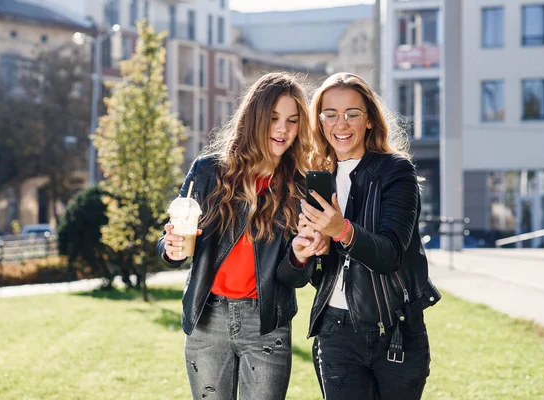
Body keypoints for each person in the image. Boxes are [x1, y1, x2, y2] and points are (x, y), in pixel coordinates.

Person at [156, 72, 326, 400]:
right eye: (274, 118)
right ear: (254, 118)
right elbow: (170, 237)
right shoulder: (208, 172)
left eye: (292, 120)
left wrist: (301, 256)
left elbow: (295, 277)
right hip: (208, 318)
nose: (283, 129)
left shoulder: (300, 186)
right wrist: (171, 249)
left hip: (266, 323)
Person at [278, 72, 442, 400]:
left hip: (395, 332)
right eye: (330, 115)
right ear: (319, 121)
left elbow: (390, 253)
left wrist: (340, 230)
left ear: (369, 120)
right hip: (335, 333)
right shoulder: (311, 181)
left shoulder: (396, 172)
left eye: (352, 114)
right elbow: (291, 277)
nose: (342, 124)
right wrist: (302, 254)